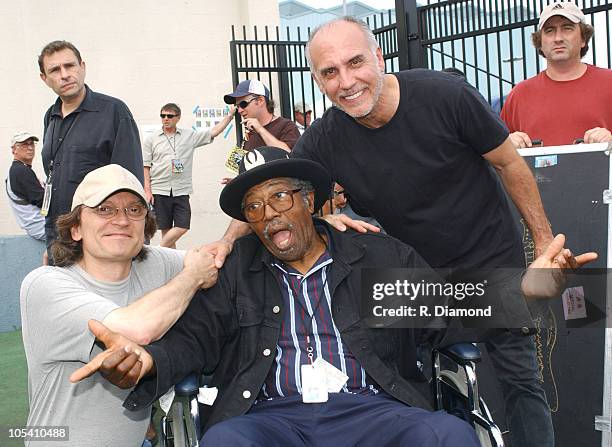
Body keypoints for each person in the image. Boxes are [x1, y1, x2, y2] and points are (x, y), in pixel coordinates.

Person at [71, 147, 594, 446]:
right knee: (225, 444)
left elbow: (456, 308)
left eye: (280, 197)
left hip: (374, 410)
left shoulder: (372, 258)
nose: (269, 214)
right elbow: (193, 341)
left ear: (311, 202)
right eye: (253, 208)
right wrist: (146, 362)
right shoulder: (239, 274)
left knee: (446, 436)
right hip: (272, 417)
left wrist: (533, 287)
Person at [210, 17, 559, 447]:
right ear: (319, 83)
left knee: (521, 382)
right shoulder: (326, 138)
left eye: (355, 62)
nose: (346, 81)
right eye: (330, 73)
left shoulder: (444, 96)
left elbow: (509, 163)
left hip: (488, 261)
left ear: (379, 57)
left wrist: (542, 242)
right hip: (411, 277)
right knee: (413, 384)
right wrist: (227, 245)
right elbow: (275, 189)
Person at [20, 164, 218, 446]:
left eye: (134, 210)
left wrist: (228, 241)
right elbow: (137, 330)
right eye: (104, 209)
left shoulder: (154, 263)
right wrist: (193, 277)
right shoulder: (44, 285)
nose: (122, 220)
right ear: (75, 228)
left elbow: (210, 260)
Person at [38, 40, 144, 252]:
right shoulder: (51, 116)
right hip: (60, 236)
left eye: (70, 66)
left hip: (99, 238)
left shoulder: (114, 111)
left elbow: (130, 181)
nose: (65, 74)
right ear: (45, 79)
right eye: (55, 70)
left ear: (82, 67)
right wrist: (51, 246)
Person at [501, 2, 612, 148]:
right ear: (540, 42)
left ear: (583, 38)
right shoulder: (519, 94)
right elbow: (496, 155)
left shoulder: (608, 83)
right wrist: (508, 143)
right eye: (549, 30)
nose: (558, 38)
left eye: (567, 28)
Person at [143, 103, 235, 248]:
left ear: (178, 118)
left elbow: (213, 132)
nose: (165, 119)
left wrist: (229, 117)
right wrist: (147, 190)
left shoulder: (188, 136)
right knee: (166, 231)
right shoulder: (151, 139)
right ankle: (171, 266)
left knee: (182, 225)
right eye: (163, 116)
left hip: (181, 189)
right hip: (159, 189)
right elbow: (146, 165)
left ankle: (158, 250)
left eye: (170, 116)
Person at [224, 79, 301, 151]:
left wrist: (260, 129)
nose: (240, 110)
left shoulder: (286, 126)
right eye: (237, 106)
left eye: (243, 104)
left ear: (260, 101)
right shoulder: (250, 132)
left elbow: (289, 154)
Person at [6, 131, 45, 241]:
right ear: (14, 150)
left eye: (32, 144)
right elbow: (43, 202)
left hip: (38, 226)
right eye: (24, 144)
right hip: (42, 226)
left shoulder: (18, 170)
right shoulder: (20, 171)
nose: (30, 148)